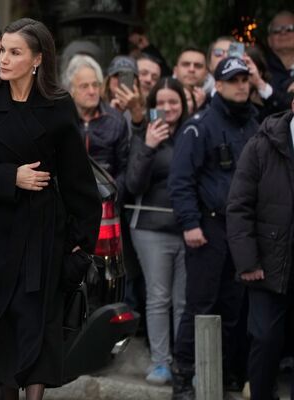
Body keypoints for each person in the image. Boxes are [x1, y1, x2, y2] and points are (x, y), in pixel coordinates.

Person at [0, 18, 101, 400]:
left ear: (37, 59)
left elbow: (80, 182)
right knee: (6, 329)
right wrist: (9, 178)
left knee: (40, 329)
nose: (4, 58)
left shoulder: (57, 105)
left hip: (45, 236)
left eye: (15, 52)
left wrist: (82, 245)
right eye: (3, 50)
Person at [167, 57, 259, 400]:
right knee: (200, 307)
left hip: (241, 230)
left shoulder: (254, 125)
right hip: (208, 227)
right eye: (232, 80)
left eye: (244, 79)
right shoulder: (200, 125)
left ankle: (218, 373)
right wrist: (191, 223)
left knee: (233, 308)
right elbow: (180, 181)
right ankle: (184, 376)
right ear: (217, 85)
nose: (240, 85)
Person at [227, 99, 294, 400]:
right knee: (265, 341)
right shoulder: (261, 145)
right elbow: (239, 207)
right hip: (267, 266)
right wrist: (248, 262)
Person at [126, 77, 189, 385]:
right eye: (160, 103)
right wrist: (149, 146)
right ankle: (160, 361)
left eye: (173, 102)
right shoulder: (142, 135)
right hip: (151, 227)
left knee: (183, 300)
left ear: (183, 105)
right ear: (152, 107)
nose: (167, 108)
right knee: (158, 296)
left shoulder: (193, 132)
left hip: (188, 228)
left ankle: (183, 361)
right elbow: (133, 184)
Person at [63, 54, 130, 197]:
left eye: (95, 85)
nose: (92, 91)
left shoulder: (116, 121)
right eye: (84, 86)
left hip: (107, 201)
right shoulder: (62, 120)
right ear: (71, 90)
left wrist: (113, 196)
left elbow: (124, 170)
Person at [103, 55, 145, 126]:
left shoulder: (149, 108)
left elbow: (157, 135)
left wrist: (136, 111)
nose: (121, 80)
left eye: (128, 76)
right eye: (117, 75)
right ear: (108, 81)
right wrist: (111, 115)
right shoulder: (97, 108)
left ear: (137, 82)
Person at [265, 11, 294, 94]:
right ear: (269, 40)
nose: (283, 33)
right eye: (276, 31)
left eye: (289, 29)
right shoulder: (261, 70)